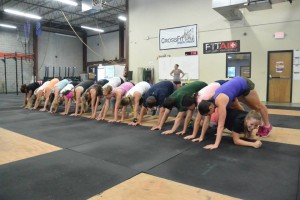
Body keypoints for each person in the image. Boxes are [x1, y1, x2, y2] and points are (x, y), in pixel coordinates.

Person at [198, 76, 272, 150]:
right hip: (235, 89)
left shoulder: (220, 103)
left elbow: (221, 126)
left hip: (244, 83)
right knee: (241, 109)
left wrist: (216, 144)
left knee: (257, 106)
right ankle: (247, 124)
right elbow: (206, 122)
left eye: (208, 114)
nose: (209, 115)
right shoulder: (209, 102)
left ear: (210, 108)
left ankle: (267, 126)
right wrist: (201, 137)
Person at [193, 108, 263, 148]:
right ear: (247, 120)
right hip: (217, 117)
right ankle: (193, 119)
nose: (254, 127)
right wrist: (253, 144)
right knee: (208, 126)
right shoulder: (238, 121)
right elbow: (236, 141)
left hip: (228, 117)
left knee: (246, 131)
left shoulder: (250, 117)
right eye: (252, 124)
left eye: (256, 125)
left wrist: (251, 130)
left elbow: (252, 125)